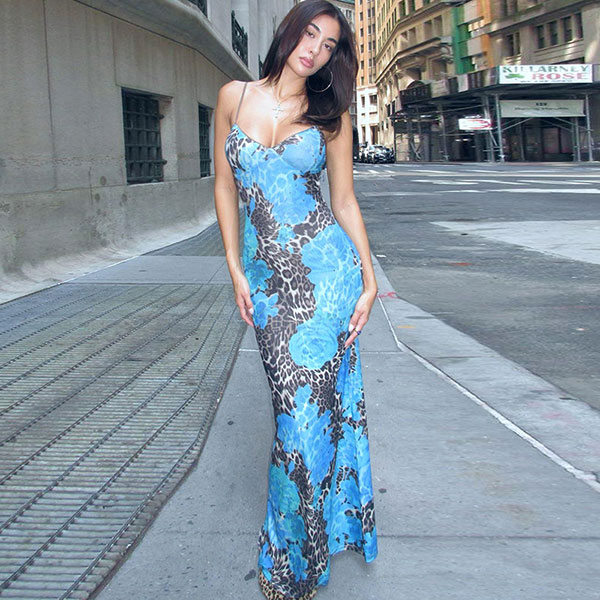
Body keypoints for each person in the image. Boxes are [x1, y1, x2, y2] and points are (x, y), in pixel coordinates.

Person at [213, 1, 378, 598]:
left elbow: (344, 201)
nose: (315, 49)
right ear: (289, 32)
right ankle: (310, 537)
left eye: (329, 44)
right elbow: (224, 185)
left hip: (327, 280)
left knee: (302, 421)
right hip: (268, 286)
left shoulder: (331, 116)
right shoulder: (233, 97)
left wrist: (368, 278)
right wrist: (234, 266)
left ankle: (291, 558)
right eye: (310, 34)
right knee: (296, 415)